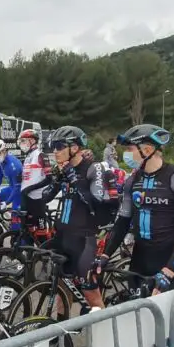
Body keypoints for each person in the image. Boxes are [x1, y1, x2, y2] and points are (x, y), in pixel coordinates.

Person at [103, 124, 174, 293]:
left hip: (168, 264)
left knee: (168, 319)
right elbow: (122, 222)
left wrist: (169, 271)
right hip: (139, 262)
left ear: (147, 150)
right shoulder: (132, 180)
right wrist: (104, 255)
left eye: (130, 148)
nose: (126, 154)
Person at [39, 126, 109, 310]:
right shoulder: (63, 170)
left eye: (60, 146)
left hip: (83, 238)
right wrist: (57, 178)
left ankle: (104, 333)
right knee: (62, 291)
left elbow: (95, 201)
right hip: (63, 235)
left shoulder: (93, 168)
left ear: (75, 148)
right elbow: (45, 197)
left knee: (91, 295)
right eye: (53, 147)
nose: (55, 151)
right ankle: (62, 337)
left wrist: (73, 176)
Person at [18, 128, 52, 234]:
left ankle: (44, 249)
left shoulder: (41, 155)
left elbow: (49, 179)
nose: (21, 144)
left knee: (41, 232)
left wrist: (30, 188)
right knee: (27, 231)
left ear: (32, 141)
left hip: (37, 198)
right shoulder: (27, 157)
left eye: (24, 141)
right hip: (26, 198)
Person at [0, 139, 23, 231]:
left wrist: (7, 203)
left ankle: (17, 235)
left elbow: (17, 187)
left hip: (19, 191)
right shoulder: (0, 162)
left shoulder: (13, 165)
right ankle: (4, 219)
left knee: (15, 221)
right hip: (12, 188)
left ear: (4, 151)